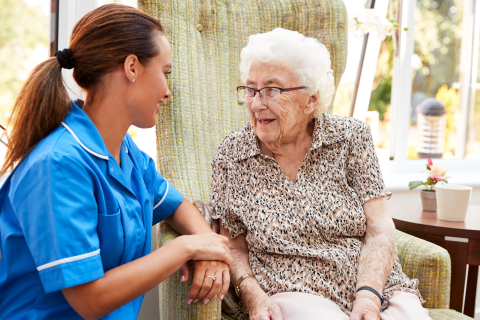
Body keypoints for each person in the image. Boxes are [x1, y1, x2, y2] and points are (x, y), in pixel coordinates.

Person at [0, 4, 232, 319]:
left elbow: (177, 206)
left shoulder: (125, 153)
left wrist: (209, 249)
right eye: (165, 73)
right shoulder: (58, 164)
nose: (167, 91)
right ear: (132, 67)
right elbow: (90, 300)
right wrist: (187, 248)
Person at [211, 28, 431, 320]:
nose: (256, 102)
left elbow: (380, 228)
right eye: (250, 89)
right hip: (292, 293)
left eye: (272, 90)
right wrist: (253, 296)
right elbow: (233, 246)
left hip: (376, 290)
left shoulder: (351, 138)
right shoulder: (233, 154)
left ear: (311, 99)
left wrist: (368, 297)